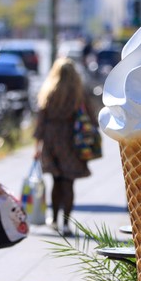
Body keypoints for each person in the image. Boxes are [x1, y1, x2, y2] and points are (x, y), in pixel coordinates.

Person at [34, 58, 92, 236]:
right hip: (72, 141)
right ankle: (66, 223)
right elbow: (91, 117)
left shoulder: (49, 91)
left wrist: (37, 146)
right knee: (69, 182)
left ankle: (54, 218)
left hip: (52, 139)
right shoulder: (79, 93)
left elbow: (41, 121)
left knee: (56, 180)